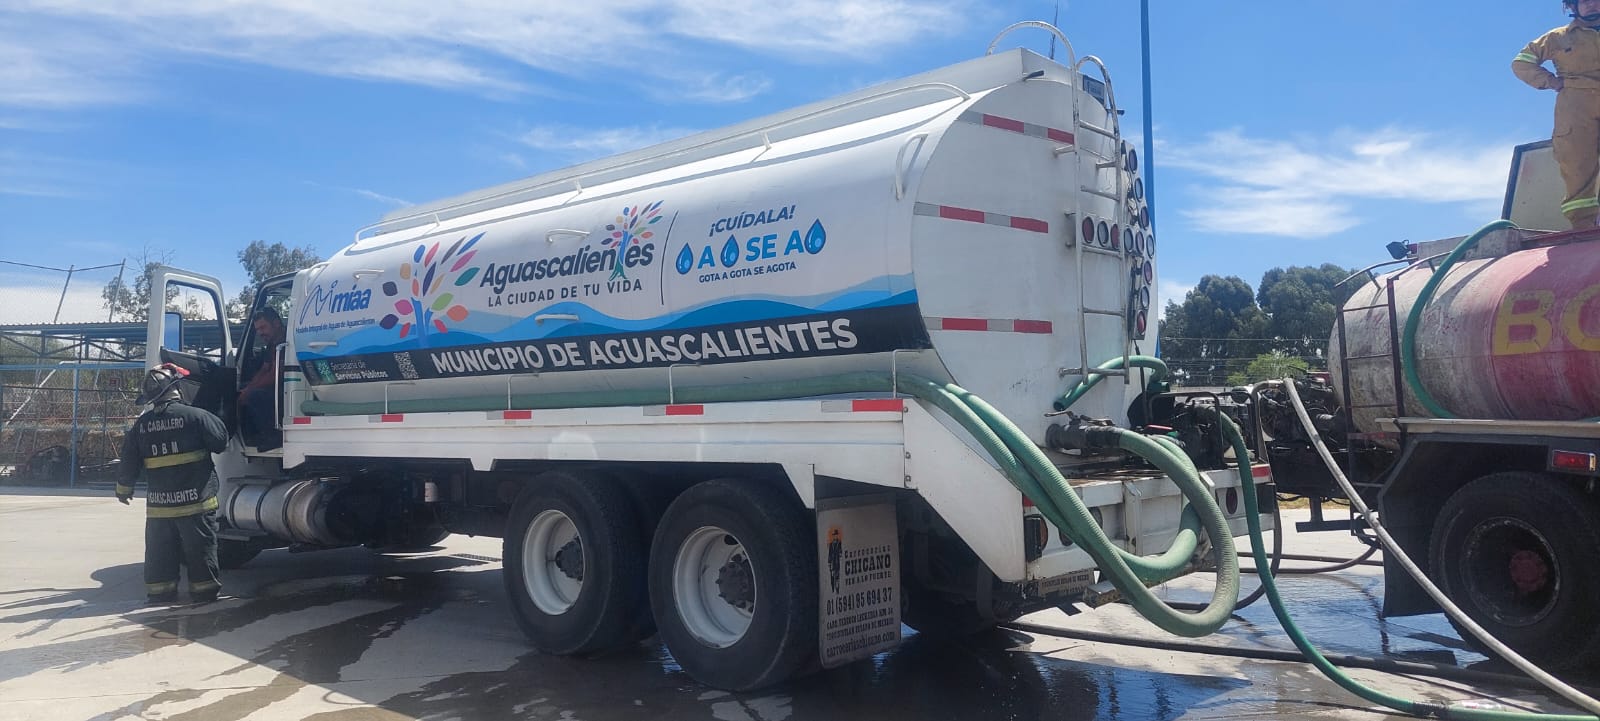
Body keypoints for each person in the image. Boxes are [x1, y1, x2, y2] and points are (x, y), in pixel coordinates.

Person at [117, 363, 230, 603]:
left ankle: (161, 593)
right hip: (196, 504)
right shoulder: (197, 417)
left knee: (159, 552)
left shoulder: (142, 425)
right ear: (176, 388)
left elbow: (128, 459)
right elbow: (221, 442)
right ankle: (204, 594)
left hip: (159, 508)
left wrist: (124, 489)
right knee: (200, 550)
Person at [1515, 0, 1600, 228]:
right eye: (1585, 0)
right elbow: (1521, 63)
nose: (1592, 4)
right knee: (1577, 162)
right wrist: (1550, 81)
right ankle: (1583, 225)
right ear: (1573, 6)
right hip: (1574, 105)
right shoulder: (1558, 37)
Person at [239, 308, 285, 450]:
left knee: (255, 395)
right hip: (274, 388)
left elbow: (275, 374)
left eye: (263, 327)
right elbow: (264, 369)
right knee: (241, 389)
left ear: (276, 323)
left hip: (287, 391)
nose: (260, 333)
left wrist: (249, 391)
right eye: (258, 329)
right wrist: (246, 388)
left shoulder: (286, 342)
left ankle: (275, 436)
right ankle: (253, 435)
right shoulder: (271, 344)